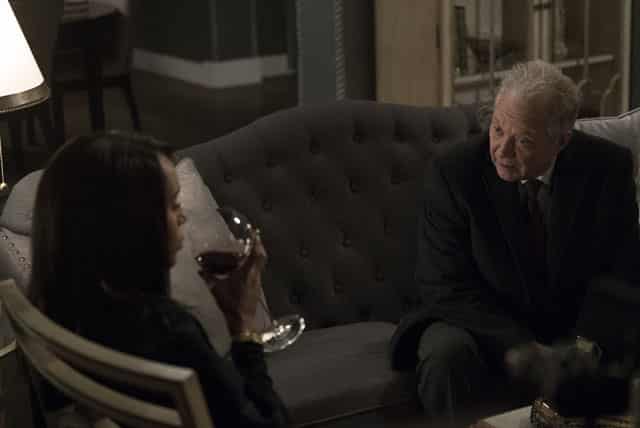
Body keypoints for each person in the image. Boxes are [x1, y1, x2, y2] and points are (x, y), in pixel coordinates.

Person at [389, 60, 640, 424]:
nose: (502, 150)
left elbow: (621, 272)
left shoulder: (606, 167)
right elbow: (444, 287)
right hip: (478, 321)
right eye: (497, 129)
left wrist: (584, 347)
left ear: (562, 140)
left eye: (523, 141)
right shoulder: (455, 173)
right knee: (446, 355)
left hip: (572, 323)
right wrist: (524, 348)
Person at [28, 131, 290, 428]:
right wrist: (243, 329)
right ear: (132, 221)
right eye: (173, 204)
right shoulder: (168, 333)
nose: (182, 217)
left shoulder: (62, 312)